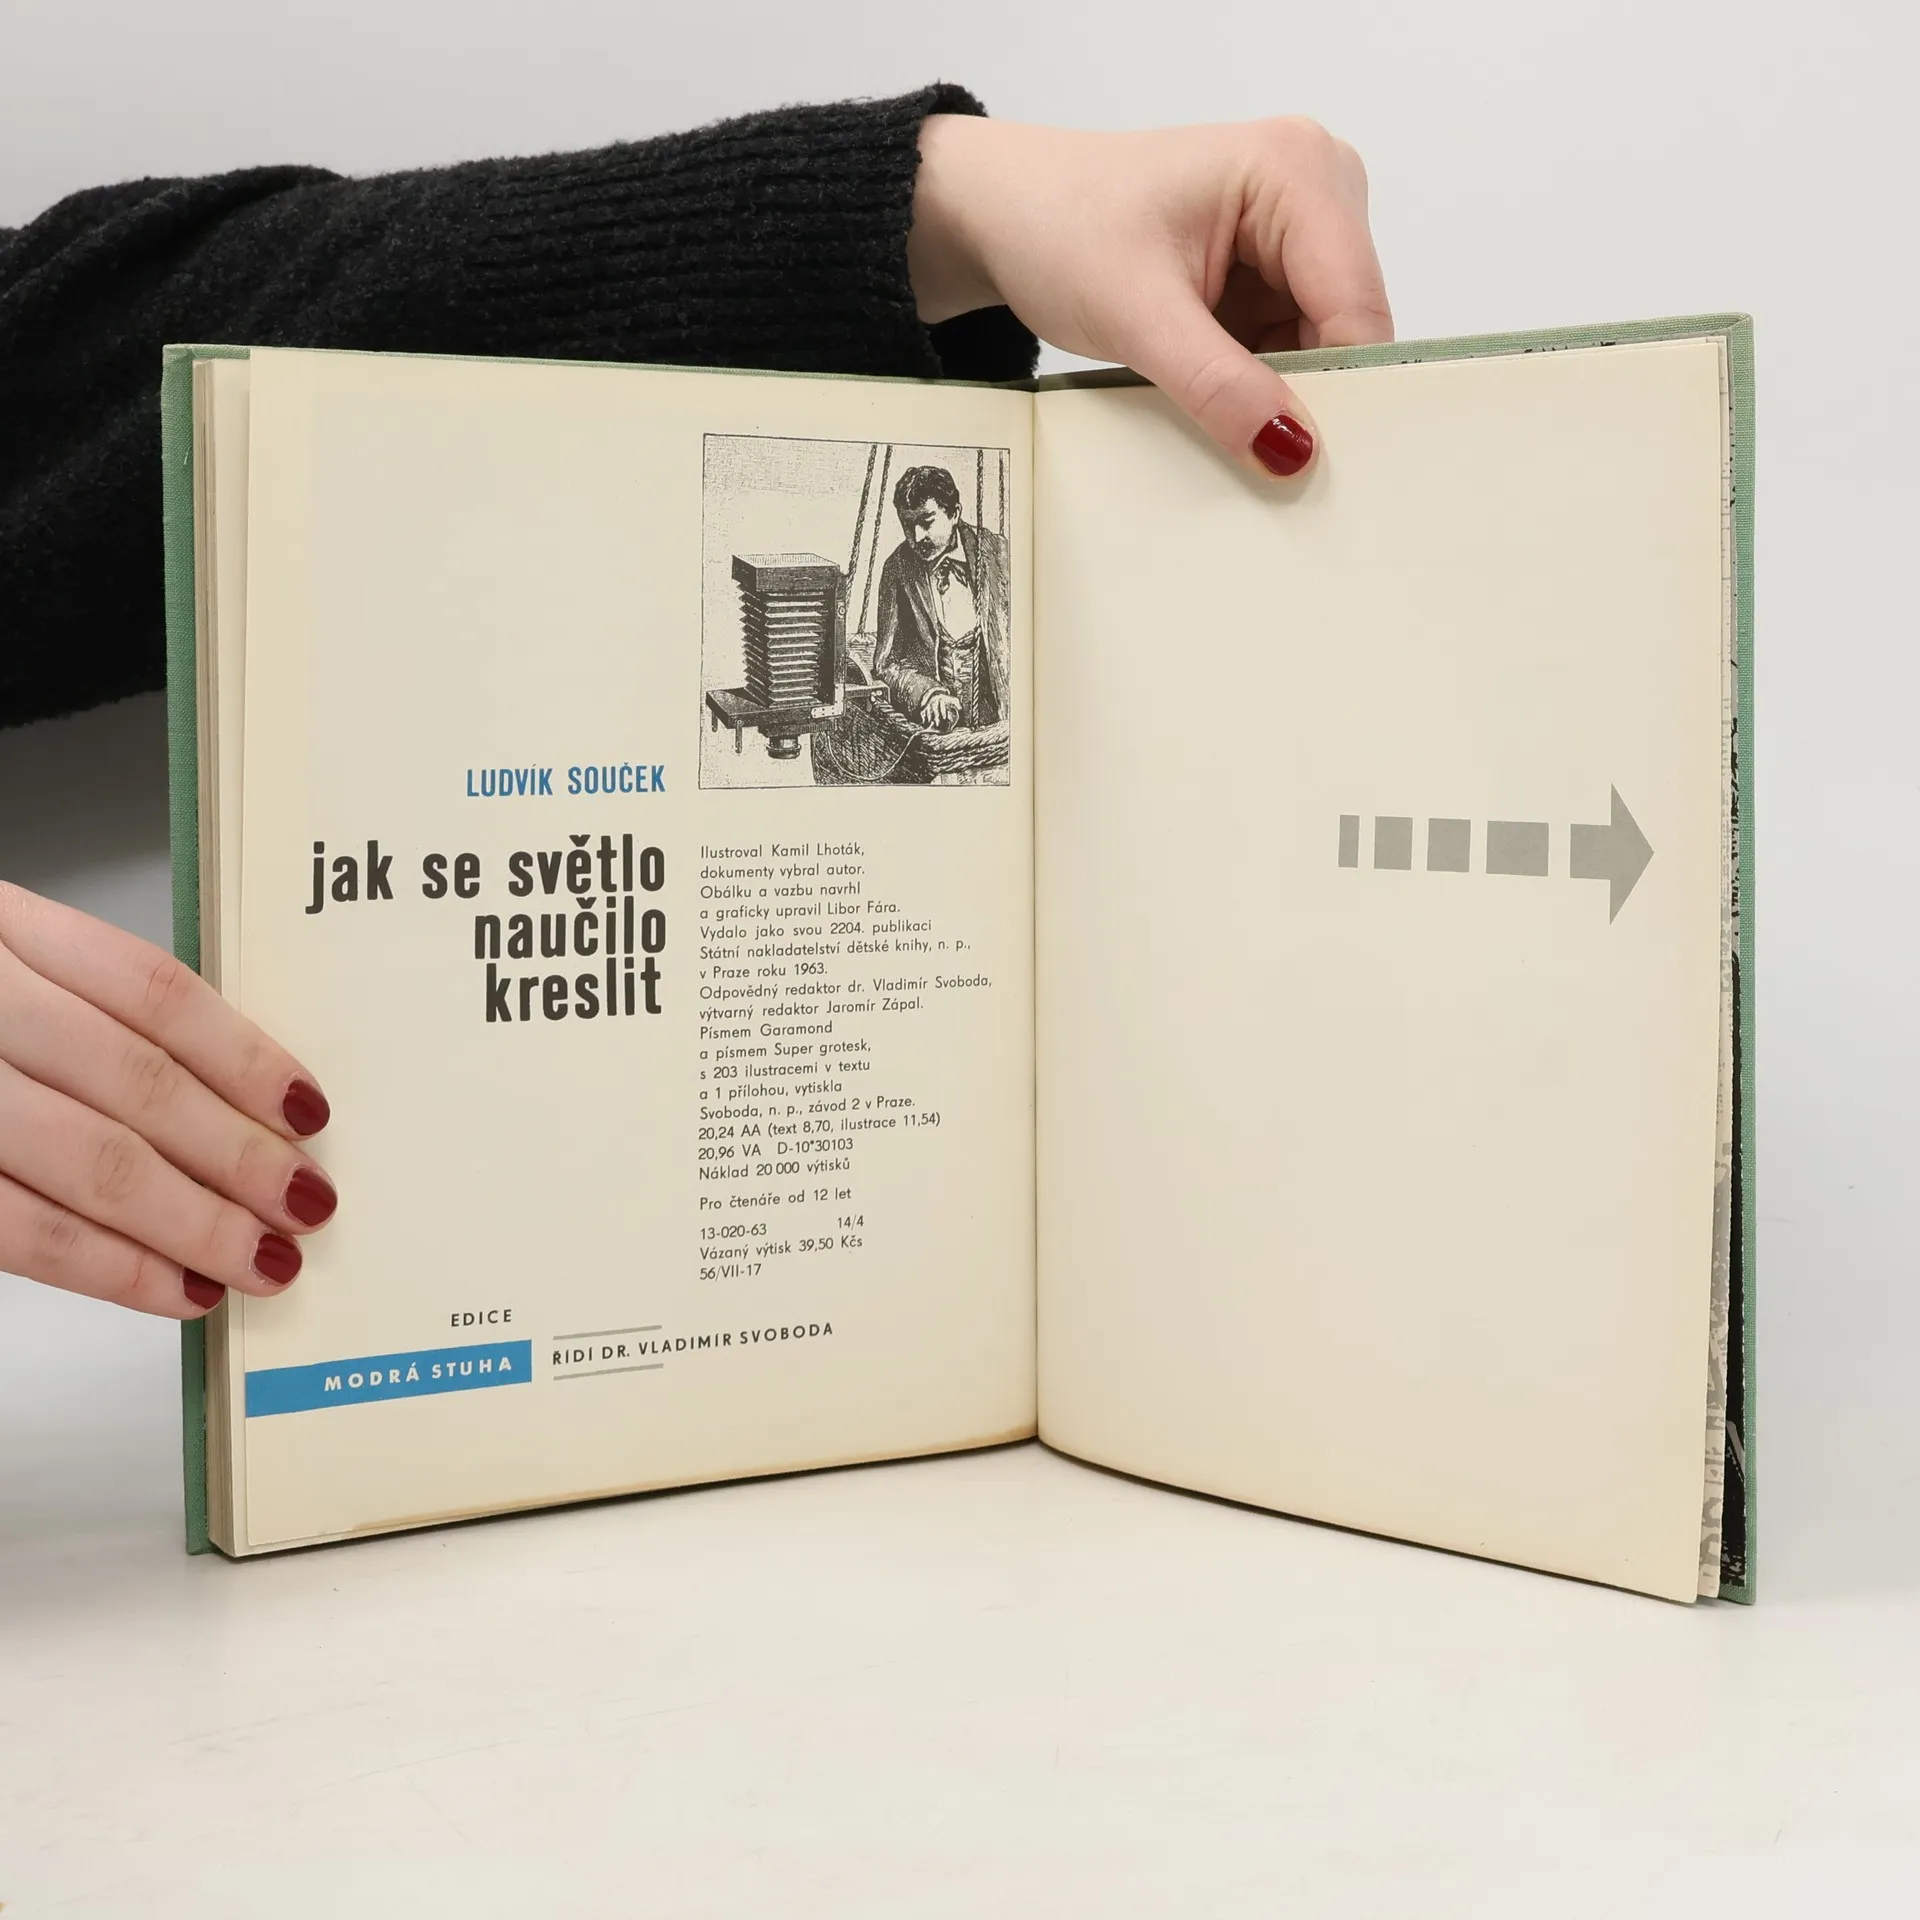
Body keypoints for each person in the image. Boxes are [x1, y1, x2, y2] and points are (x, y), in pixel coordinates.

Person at [0, 90, 1391, 1320]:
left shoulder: (965, 555)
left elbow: (79, 369)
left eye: (933, 523)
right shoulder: (894, 578)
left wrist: (940, 205)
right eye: (917, 522)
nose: (928, 533)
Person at [873, 463, 1011, 754]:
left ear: (955, 513)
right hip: (940, 744)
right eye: (907, 525)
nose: (916, 536)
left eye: (927, 521)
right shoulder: (897, 569)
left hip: (1002, 737)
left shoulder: (1000, 554)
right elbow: (886, 663)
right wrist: (928, 694)